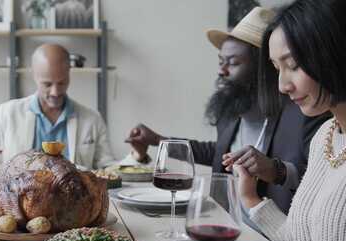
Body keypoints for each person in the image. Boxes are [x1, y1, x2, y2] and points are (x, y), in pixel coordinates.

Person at [126, 7, 330, 215]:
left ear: (265, 68)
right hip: (226, 223)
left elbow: (325, 179)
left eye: (233, 63)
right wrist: (159, 141)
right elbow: (220, 153)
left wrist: (275, 169)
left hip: (272, 236)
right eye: (221, 62)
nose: (221, 71)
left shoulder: (305, 112)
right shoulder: (232, 112)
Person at [236, 0, 346, 241]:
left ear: (333, 52)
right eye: (276, 68)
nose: (282, 85)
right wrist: (250, 197)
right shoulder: (326, 135)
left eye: (293, 65)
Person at [0, 43, 116, 170]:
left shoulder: (92, 119)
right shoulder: (7, 113)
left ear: (69, 73)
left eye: (62, 82)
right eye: (47, 84)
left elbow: (108, 169)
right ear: (34, 76)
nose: (55, 92)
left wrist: (137, 156)